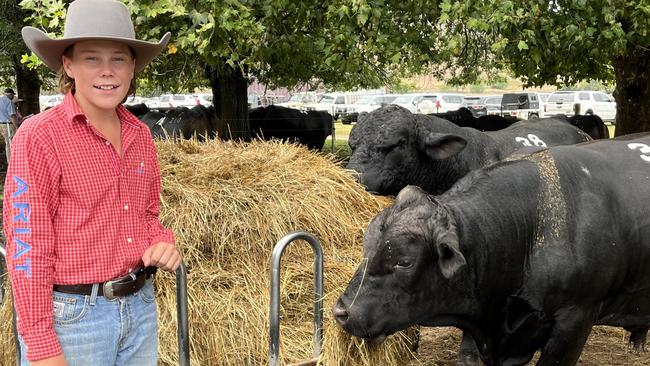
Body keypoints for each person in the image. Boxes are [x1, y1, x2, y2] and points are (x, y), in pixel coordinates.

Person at [4, 0, 179, 365]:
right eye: (91, 58)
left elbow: (146, 215)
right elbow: (26, 246)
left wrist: (161, 241)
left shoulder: (140, 135)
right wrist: (39, 344)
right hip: (73, 320)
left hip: (140, 307)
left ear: (133, 68)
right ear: (68, 64)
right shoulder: (39, 136)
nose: (107, 71)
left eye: (118, 58)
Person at [0, 87, 18, 163]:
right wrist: (17, 127)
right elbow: (12, 116)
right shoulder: (9, 102)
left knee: (7, 143)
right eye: (13, 96)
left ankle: (9, 161)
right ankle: (13, 162)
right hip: (9, 125)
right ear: (11, 95)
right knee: (12, 143)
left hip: (1, 124)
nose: (13, 97)